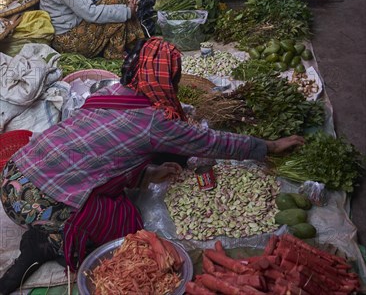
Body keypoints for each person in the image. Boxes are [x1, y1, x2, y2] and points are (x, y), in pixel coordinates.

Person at [0, 36, 304, 294]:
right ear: (167, 79)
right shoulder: (155, 121)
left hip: (12, 176)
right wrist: (267, 147)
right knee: (126, 223)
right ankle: (45, 246)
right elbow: (212, 143)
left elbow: (103, 152)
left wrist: (146, 173)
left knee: (107, 192)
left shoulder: (110, 93)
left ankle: (44, 231)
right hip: (36, 201)